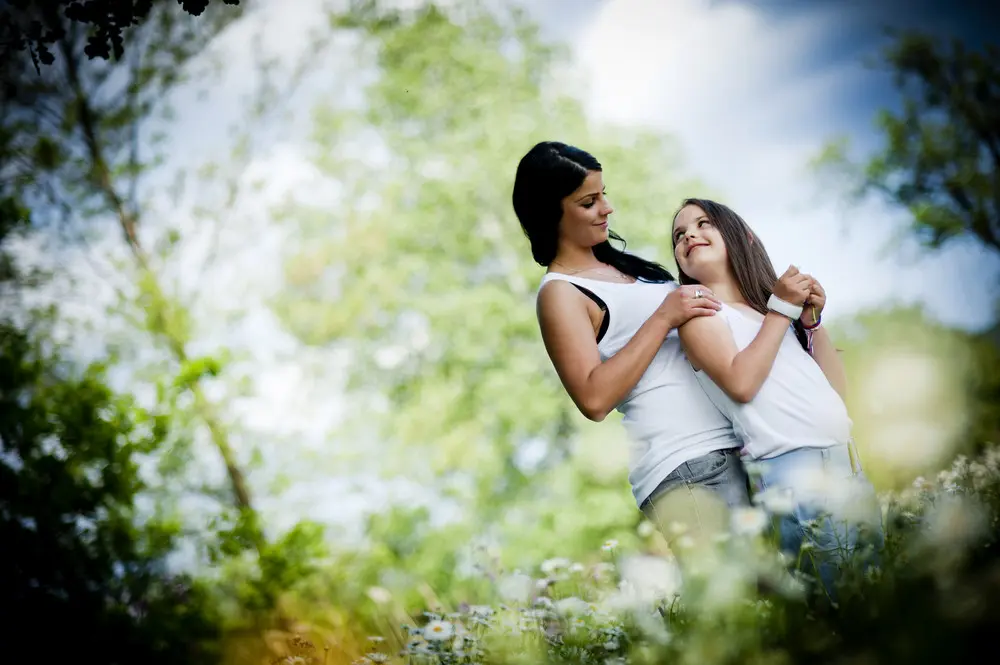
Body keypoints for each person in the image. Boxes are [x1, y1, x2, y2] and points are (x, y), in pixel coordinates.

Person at [512, 141, 750, 560]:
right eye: (589, 201)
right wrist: (661, 319)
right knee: (740, 612)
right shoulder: (560, 293)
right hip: (687, 464)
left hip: (737, 444)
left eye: (604, 194)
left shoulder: (626, 268)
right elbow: (594, 398)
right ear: (552, 213)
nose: (607, 208)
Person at [671, 197, 884, 598]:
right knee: (836, 609)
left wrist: (811, 322)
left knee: (877, 599)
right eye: (680, 235)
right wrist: (782, 309)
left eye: (703, 224)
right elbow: (741, 383)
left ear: (743, 237)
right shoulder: (701, 317)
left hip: (848, 465)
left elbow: (836, 392)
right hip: (793, 473)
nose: (690, 236)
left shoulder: (768, 315)